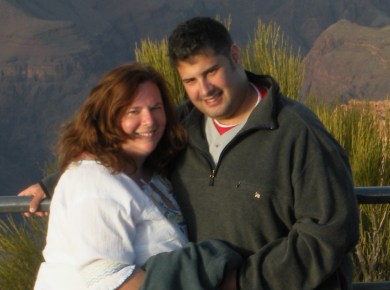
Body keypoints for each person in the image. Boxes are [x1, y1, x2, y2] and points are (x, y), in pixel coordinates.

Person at [21, 17, 360, 290]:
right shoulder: (183, 126)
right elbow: (128, 153)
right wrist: (57, 182)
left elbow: (329, 232)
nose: (205, 89)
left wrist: (243, 283)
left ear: (236, 56)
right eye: (190, 80)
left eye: (211, 71)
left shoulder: (297, 133)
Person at [32, 62, 242, 290]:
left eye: (155, 108)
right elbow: (109, 279)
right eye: (134, 111)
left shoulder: (149, 174)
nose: (149, 121)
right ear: (107, 117)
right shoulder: (93, 183)